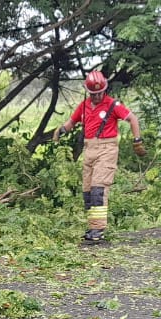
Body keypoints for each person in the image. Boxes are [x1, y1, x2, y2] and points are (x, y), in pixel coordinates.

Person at [53, 70, 146, 245]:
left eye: (99, 93)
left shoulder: (113, 104)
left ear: (104, 90)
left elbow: (133, 119)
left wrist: (137, 141)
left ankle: (97, 230)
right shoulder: (84, 106)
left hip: (107, 149)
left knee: (98, 189)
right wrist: (61, 130)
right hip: (89, 149)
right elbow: (72, 122)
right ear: (88, 92)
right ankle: (92, 227)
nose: (97, 96)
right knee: (88, 192)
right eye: (93, 94)